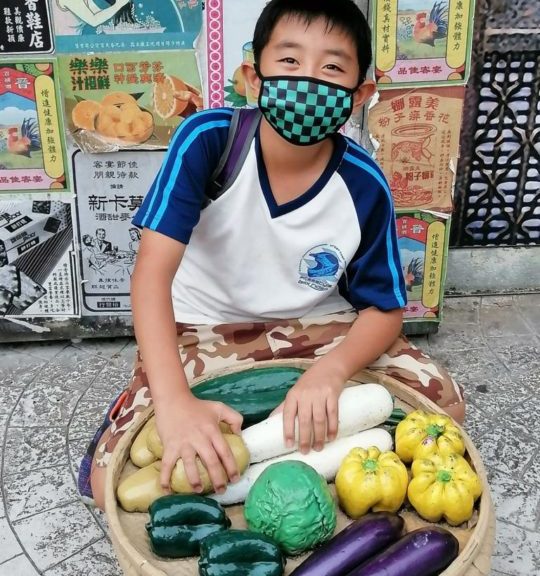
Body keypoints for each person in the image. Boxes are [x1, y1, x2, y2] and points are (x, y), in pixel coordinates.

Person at [79, 0, 464, 511]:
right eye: (288, 61)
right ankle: (143, 404)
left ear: (358, 95)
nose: (308, 81)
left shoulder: (364, 182)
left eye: (331, 68)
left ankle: (274, 444)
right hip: (203, 327)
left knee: (442, 411)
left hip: (320, 328)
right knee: (112, 488)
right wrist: (173, 405)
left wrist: (330, 373)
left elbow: (384, 308)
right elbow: (151, 274)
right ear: (253, 78)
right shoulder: (209, 140)